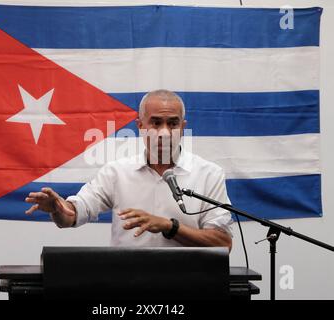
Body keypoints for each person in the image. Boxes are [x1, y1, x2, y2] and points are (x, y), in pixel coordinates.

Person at [25, 90, 233, 250]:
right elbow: (74, 214)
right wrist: (57, 209)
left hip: (189, 287)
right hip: (127, 286)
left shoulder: (209, 174)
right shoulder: (116, 173)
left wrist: (170, 227)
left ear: (183, 126)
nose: (164, 132)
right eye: (156, 122)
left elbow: (223, 243)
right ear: (140, 126)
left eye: (172, 124)